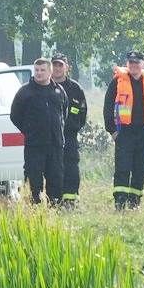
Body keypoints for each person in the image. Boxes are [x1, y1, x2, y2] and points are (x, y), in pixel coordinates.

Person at [103, 50, 144, 210]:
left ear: (143, 64)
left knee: (140, 169)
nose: (133, 65)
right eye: (131, 62)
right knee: (122, 168)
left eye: (136, 62)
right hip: (124, 133)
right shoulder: (118, 81)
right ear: (127, 64)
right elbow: (108, 106)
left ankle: (134, 202)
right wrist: (112, 131)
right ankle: (120, 203)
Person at [10, 58, 68, 205]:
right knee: (33, 180)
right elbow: (15, 115)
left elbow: (64, 113)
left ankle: (55, 207)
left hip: (55, 145)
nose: (39, 73)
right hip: (34, 146)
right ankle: (34, 208)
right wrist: (29, 130)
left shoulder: (58, 91)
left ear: (50, 72)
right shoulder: (25, 92)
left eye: (42, 70)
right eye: (37, 70)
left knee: (56, 179)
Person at [51, 53, 87, 208]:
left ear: (67, 68)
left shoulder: (75, 88)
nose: (57, 68)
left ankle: (71, 201)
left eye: (60, 65)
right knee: (53, 169)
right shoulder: (46, 86)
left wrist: (73, 127)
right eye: (55, 65)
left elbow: (82, 113)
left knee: (71, 169)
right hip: (51, 138)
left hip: (69, 136)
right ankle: (55, 201)